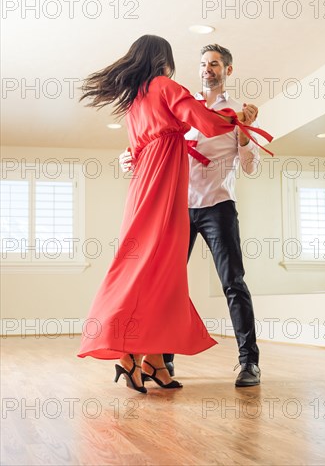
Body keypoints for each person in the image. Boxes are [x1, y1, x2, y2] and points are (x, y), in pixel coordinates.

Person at [77, 35, 247, 394]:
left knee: (161, 272)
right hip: (162, 192)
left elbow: (135, 153)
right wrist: (238, 118)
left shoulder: (135, 101)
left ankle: (154, 361)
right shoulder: (164, 85)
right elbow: (207, 122)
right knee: (150, 269)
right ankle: (126, 354)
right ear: (162, 60)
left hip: (145, 187)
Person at [121, 44, 265, 387]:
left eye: (214, 64)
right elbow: (155, 144)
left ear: (227, 70)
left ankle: (250, 363)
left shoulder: (236, 113)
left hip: (218, 205)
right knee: (164, 284)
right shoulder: (178, 104)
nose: (207, 69)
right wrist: (129, 159)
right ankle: (161, 361)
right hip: (178, 207)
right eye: (203, 63)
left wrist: (244, 136)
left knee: (233, 283)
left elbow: (251, 166)